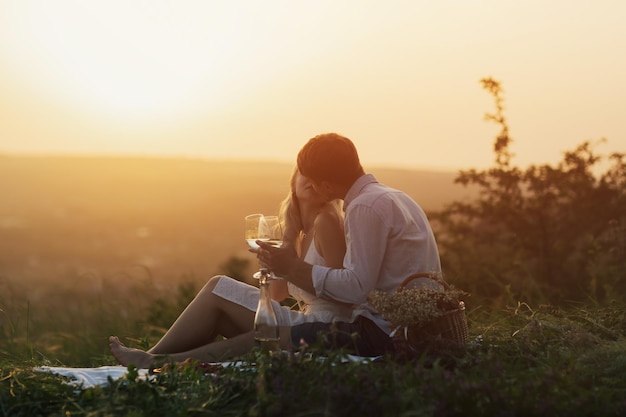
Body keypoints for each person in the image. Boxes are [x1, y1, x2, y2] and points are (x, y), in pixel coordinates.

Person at [109, 168, 350, 368]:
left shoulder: (326, 220)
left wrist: (290, 265)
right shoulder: (296, 231)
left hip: (323, 324)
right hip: (307, 319)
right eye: (303, 173)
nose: (310, 179)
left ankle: (152, 358)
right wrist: (277, 258)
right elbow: (277, 294)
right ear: (293, 181)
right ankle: (154, 359)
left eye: (318, 175)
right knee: (219, 310)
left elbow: (340, 289)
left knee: (218, 286)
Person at [257, 132, 442, 356]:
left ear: (324, 186)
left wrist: (292, 268)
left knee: (269, 338)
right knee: (272, 335)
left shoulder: (363, 207)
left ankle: (206, 368)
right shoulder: (397, 196)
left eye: (314, 183)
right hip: (418, 328)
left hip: (383, 334)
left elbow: (356, 288)